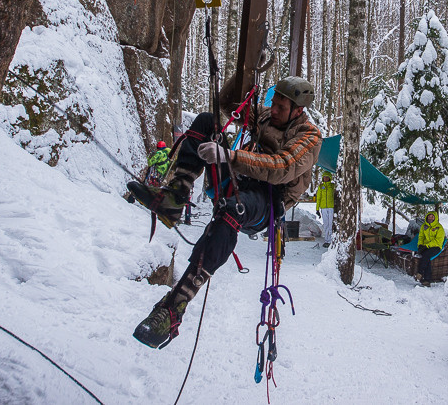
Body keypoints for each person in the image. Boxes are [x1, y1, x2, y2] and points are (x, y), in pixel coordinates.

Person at [132, 75, 322, 349]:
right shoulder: (267, 116)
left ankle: (175, 306)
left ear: (298, 110)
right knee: (207, 121)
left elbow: (282, 167)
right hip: (240, 180)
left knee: (231, 211)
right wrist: (247, 69)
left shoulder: (310, 136)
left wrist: (230, 156)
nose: (275, 110)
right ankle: (176, 196)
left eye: (282, 107)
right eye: (274, 103)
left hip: (268, 199)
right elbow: (227, 104)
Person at [415, 210, 445, 285]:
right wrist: (420, 245)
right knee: (426, 257)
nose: (430, 218)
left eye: (432, 217)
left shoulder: (439, 227)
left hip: (436, 246)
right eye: (429, 216)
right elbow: (421, 237)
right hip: (426, 246)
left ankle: (420, 273)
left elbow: (438, 241)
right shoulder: (424, 226)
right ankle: (427, 280)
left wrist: (427, 245)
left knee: (426, 255)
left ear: (435, 218)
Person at [315, 170, 335, 247]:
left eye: (327, 177)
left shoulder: (332, 186)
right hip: (323, 208)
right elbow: (318, 198)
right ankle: (327, 240)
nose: (326, 178)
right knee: (326, 224)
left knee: (331, 224)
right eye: (324, 177)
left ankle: (331, 240)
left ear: (330, 178)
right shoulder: (321, 187)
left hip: (331, 207)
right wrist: (317, 209)